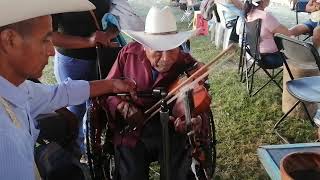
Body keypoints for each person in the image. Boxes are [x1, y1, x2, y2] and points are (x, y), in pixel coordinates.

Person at [0, 0, 136, 179]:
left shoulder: (17, 89)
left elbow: (59, 93)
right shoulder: (6, 141)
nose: (52, 51)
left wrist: (111, 85)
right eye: (45, 40)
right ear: (9, 40)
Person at [103, 6, 212, 180]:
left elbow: (200, 100)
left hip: (172, 130)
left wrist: (193, 119)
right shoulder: (127, 55)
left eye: (172, 49)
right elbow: (107, 90)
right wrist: (122, 106)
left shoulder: (186, 62)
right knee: (131, 174)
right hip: (134, 129)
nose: (166, 58)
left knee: (177, 173)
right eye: (158, 51)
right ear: (144, 46)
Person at [51, 0, 118, 155]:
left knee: (98, 108)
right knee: (75, 110)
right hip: (72, 62)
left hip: (102, 58)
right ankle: (75, 153)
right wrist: (88, 41)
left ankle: (91, 151)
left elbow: (118, 14)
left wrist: (109, 33)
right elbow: (50, 36)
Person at [244, 0, 292, 67]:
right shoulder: (266, 16)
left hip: (254, 55)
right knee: (294, 51)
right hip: (270, 58)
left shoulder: (248, 13)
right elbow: (287, 33)